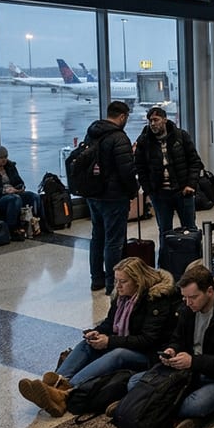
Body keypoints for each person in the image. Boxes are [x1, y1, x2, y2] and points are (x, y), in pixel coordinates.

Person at [17, 257, 178, 417]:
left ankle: (66, 391)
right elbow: (110, 323)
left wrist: (109, 341)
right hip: (125, 342)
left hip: (149, 354)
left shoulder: (156, 300)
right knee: (86, 344)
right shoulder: (121, 297)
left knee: (118, 355)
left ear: (138, 281)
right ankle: (57, 384)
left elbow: (148, 340)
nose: (118, 286)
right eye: (116, 280)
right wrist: (97, 332)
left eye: (123, 281)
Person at [135, 266, 214, 428]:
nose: (188, 302)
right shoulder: (187, 309)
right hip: (191, 371)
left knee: (197, 404)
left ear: (210, 292)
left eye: (193, 297)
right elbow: (177, 339)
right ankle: (161, 412)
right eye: (184, 297)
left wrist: (193, 361)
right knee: (134, 382)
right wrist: (172, 350)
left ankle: (145, 409)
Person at [134, 107, 203, 267]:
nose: (153, 124)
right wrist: (149, 190)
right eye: (150, 120)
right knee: (164, 231)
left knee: (190, 229)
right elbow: (140, 167)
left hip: (183, 192)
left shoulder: (181, 136)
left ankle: (194, 263)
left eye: (156, 120)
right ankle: (166, 266)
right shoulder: (145, 141)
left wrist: (190, 185)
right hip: (160, 195)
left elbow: (195, 162)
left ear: (165, 120)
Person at [82, 101, 139, 295]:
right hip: (114, 197)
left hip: (93, 194)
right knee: (114, 241)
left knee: (97, 237)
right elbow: (126, 171)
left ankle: (96, 279)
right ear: (122, 116)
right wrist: (133, 191)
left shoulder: (91, 133)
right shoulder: (118, 137)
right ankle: (113, 284)